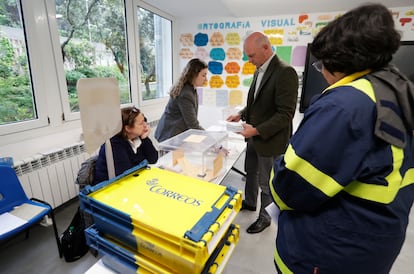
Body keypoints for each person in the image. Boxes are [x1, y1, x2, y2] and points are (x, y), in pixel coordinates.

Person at [269, 4, 414, 274]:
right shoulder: (396, 89)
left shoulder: (344, 105)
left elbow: (289, 187)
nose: (321, 72)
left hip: (326, 252)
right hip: (370, 244)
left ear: (337, 62)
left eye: (321, 64)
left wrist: (281, 163)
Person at [227, 32, 298, 234]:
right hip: (254, 136)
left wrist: (256, 130)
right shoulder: (259, 70)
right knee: (251, 172)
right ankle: (250, 202)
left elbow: (285, 115)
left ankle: (265, 218)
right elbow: (256, 104)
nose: (249, 61)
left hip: (270, 140)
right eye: (247, 56)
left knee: (266, 183)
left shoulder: (286, 72)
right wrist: (240, 115)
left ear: (266, 48)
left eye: (251, 56)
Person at [94, 106, 158, 184]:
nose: (145, 125)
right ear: (128, 128)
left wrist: (145, 139)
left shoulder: (137, 137)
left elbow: (153, 159)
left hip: (132, 181)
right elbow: (127, 175)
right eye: (141, 123)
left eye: (145, 121)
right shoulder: (115, 145)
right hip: (108, 189)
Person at [154, 58, 208, 142]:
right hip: (170, 134)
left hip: (176, 133)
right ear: (194, 74)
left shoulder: (191, 89)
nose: (206, 79)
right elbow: (193, 124)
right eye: (203, 75)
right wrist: (211, 140)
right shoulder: (186, 93)